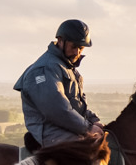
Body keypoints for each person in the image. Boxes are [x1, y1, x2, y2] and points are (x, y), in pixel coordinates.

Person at [15, 19, 106, 151]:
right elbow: (57, 109)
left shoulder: (67, 67)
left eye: (81, 48)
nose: (77, 52)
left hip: (68, 126)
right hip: (50, 130)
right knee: (85, 156)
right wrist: (88, 128)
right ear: (60, 40)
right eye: (74, 46)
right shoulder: (45, 68)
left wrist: (94, 120)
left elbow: (76, 104)